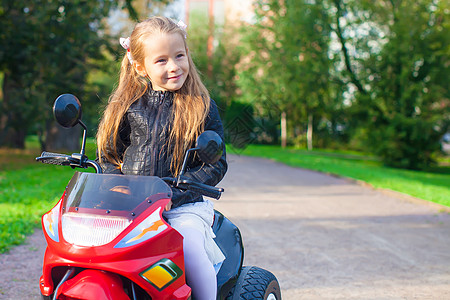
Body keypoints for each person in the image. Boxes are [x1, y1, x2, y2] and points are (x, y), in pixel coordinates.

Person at [96, 16, 227, 300]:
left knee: (189, 246)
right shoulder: (127, 106)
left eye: (179, 55)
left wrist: (179, 190)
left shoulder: (202, 107)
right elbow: (108, 154)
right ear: (140, 66)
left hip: (183, 205)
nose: (174, 66)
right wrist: (114, 183)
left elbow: (215, 162)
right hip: (132, 204)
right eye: (162, 60)